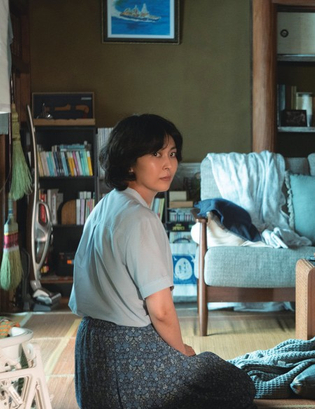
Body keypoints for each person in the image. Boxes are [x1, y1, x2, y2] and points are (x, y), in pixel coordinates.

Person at [69, 114, 255, 409]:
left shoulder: (105, 205)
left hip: (91, 361)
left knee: (211, 370)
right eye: (156, 154)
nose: (168, 164)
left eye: (172, 154)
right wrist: (181, 353)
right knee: (239, 385)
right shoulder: (141, 218)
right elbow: (162, 310)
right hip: (129, 359)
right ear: (129, 161)